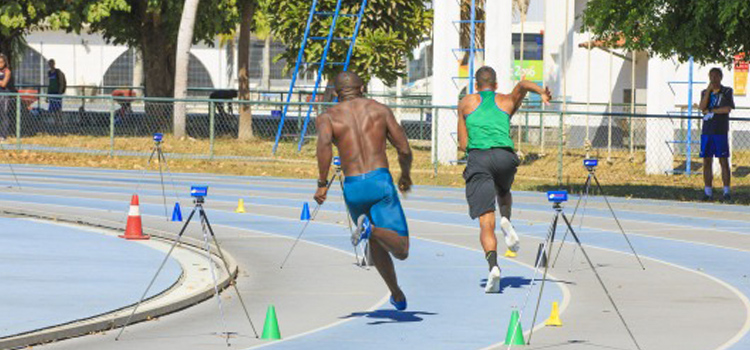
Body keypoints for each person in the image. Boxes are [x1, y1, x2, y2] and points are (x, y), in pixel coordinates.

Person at [314, 71, 412, 311]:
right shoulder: (379, 110)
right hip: (379, 181)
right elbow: (404, 148)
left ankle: (396, 294)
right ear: (363, 87)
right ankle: (371, 229)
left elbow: (324, 147)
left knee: (375, 243)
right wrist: (405, 174)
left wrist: (322, 183)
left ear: (336, 93)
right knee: (401, 249)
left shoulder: (327, 117)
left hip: (353, 186)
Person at [457, 66, 551, 293]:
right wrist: (541, 92)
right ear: (496, 85)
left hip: (479, 158)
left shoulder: (466, 103)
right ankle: (506, 218)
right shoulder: (507, 101)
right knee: (503, 190)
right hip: (505, 157)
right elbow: (523, 86)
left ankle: (494, 267)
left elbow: (462, 144)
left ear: (476, 86)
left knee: (485, 222)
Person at [698, 67, 734, 202]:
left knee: (723, 160)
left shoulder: (727, 91)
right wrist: (708, 91)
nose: (713, 79)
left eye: (716, 76)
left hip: (720, 131)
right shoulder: (704, 92)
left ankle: (726, 191)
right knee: (706, 161)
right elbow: (702, 108)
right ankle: (708, 191)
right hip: (707, 131)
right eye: (711, 76)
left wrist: (712, 110)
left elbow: (727, 109)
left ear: (720, 77)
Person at [0, 53, 13, 142]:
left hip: (3, 95)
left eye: (1, 62)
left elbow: (3, 84)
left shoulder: (7, 72)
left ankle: (3, 135)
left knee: (3, 114)